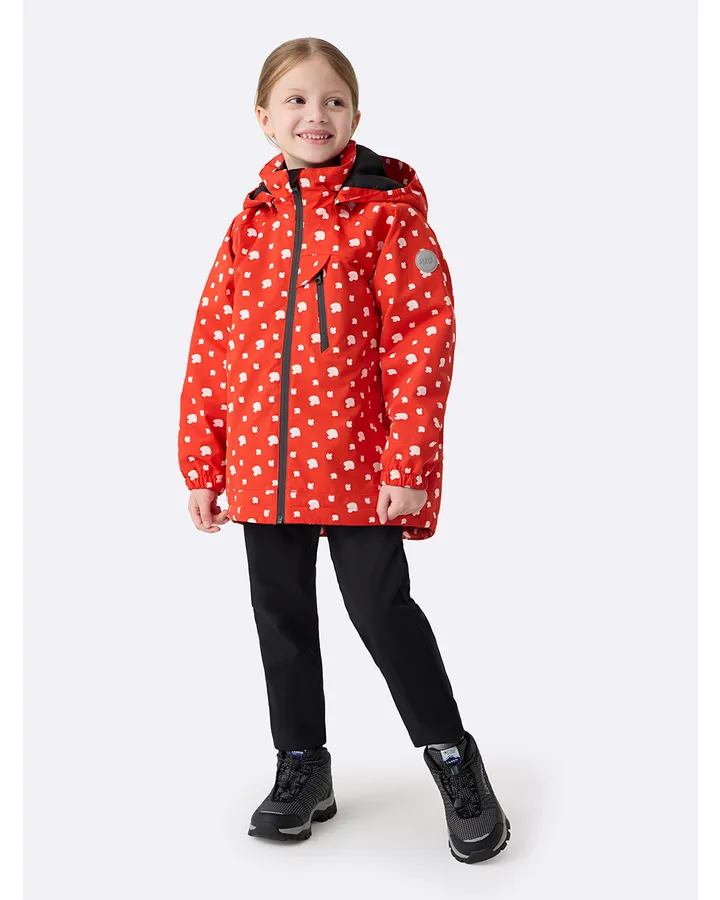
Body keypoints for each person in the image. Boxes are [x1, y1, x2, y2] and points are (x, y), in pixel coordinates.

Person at [177, 36, 511, 864]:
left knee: (381, 610)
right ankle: (302, 765)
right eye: (295, 100)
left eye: (332, 100)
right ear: (264, 118)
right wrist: (205, 463)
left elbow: (422, 346)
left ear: (355, 115)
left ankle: (453, 758)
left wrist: (410, 465)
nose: (314, 114)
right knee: (280, 617)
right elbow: (213, 347)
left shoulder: (387, 218)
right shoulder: (249, 227)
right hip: (263, 465)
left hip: (360, 464)